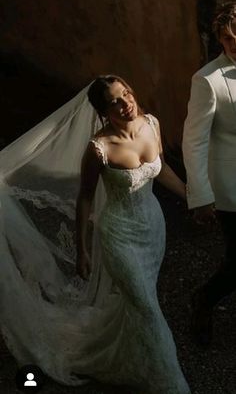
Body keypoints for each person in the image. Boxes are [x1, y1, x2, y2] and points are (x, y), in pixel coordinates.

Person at [0, 74, 190, 394]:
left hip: (153, 230)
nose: (125, 103)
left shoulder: (151, 124)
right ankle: (171, 384)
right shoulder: (99, 148)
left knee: (139, 304)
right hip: (119, 236)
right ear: (104, 111)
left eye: (126, 94)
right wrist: (83, 249)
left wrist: (191, 197)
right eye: (115, 101)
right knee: (145, 306)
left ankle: (128, 355)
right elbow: (85, 198)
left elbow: (164, 168)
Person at [182, 2, 236, 347]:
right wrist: (201, 196)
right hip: (231, 188)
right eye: (229, 38)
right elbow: (194, 141)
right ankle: (204, 299)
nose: (235, 44)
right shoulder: (207, 80)